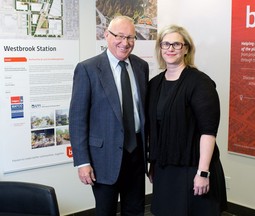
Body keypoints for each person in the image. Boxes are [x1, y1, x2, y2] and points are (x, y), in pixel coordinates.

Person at [69, 16, 149, 216]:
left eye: (131, 37)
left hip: (136, 156)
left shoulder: (141, 67)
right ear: (106, 35)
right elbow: (77, 119)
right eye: (119, 36)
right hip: (103, 159)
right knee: (106, 212)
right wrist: (82, 162)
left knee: (135, 210)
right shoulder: (87, 69)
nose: (125, 43)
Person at [147, 24, 227, 216]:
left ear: (186, 49)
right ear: (160, 48)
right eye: (165, 44)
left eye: (176, 44)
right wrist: (153, 163)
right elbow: (155, 129)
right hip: (165, 169)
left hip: (194, 168)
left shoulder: (200, 83)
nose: (170, 49)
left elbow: (208, 131)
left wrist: (203, 172)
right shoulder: (154, 84)